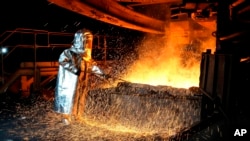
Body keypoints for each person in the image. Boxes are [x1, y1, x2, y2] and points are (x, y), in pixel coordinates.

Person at [54, 29, 108, 124]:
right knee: (69, 99)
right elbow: (62, 61)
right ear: (79, 40)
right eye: (86, 41)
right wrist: (75, 69)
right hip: (70, 83)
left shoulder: (86, 57)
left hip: (81, 81)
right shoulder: (69, 52)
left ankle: (77, 116)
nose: (87, 44)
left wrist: (103, 75)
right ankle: (65, 117)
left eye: (89, 41)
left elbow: (92, 67)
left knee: (79, 98)